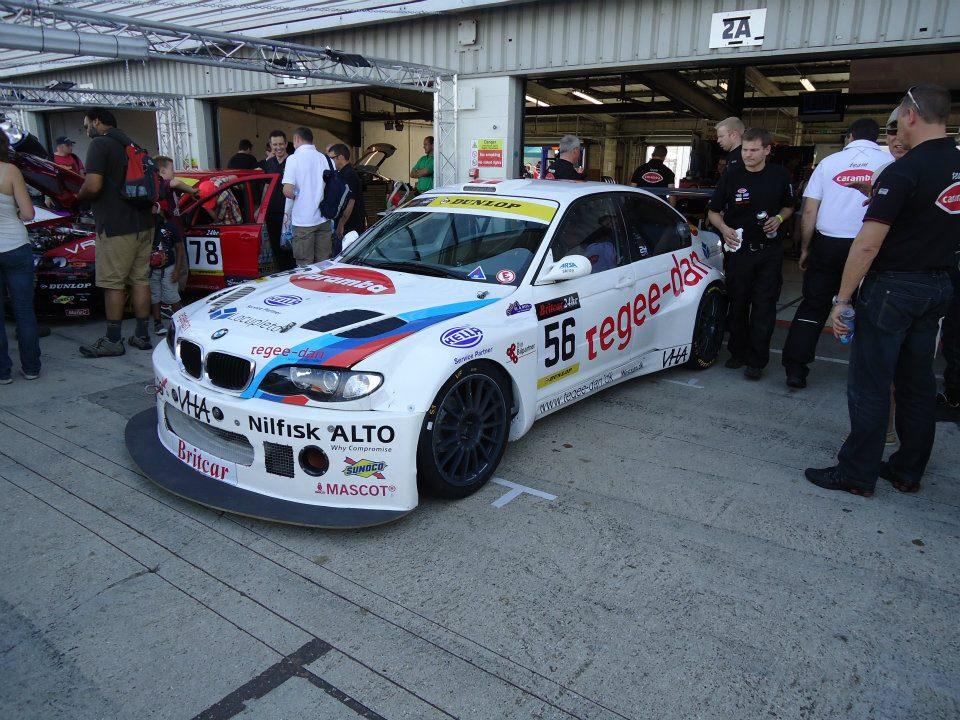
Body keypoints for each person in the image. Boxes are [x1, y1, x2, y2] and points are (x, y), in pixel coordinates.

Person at [805, 84, 959, 498]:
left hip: (893, 289)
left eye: (897, 120)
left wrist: (842, 300)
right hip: (938, 286)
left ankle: (856, 474)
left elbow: (867, 244)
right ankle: (908, 470)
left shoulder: (904, 170)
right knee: (918, 384)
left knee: (870, 384)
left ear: (911, 115)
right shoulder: (955, 163)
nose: (896, 130)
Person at [781, 118, 893, 389]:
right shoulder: (890, 162)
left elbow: (810, 209)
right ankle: (869, 378)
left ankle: (796, 369)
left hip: (828, 245)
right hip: (872, 245)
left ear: (850, 136)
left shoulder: (828, 163)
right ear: (877, 137)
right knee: (871, 311)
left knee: (813, 305)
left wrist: (805, 248)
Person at [707, 127, 794, 380]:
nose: (748, 155)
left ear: (767, 150)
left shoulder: (779, 175)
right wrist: (724, 229)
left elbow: (789, 206)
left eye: (754, 150)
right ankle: (737, 352)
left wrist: (779, 218)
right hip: (739, 252)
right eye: (745, 149)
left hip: (769, 252)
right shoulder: (732, 175)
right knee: (738, 303)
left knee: (764, 307)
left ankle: (757, 361)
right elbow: (713, 211)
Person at [76, 108, 155, 358]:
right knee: (140, 279)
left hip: (115, 225)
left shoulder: (100, 144)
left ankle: (112, 340)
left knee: (113, 283)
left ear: (97, 121)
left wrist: (78, 197)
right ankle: (142, 335)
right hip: (144, 223)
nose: (86, 130)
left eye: (86, 125)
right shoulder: (130, 143)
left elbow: (93, 185)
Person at [0, 131, 41, 383]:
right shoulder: (10, 171)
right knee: (24, 310)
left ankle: (2, 372)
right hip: (15, 246)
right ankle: (31, 367)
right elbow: (28, 214)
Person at [281, 126, 331, 266]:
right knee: (323, 264)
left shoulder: (293, 159)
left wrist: (299, 193)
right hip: (324, 218)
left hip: (303, 222)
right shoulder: (325, 159)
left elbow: (288, 191)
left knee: (305, 266)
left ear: (297, 139)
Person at [257, 130, 294, 270]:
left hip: (289, 214)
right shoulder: (269, 163)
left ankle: (291, 274)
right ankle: (281, 274)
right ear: (270, 145)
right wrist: (261, 208)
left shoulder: (293, 161)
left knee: (290, 249)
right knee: (276, 248)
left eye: (281, 144)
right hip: (271, 213)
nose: (278, 147)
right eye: (275, 144)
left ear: (286, 144)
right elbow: (266, 187)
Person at [149, 220, 186, 336]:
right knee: (155, 295)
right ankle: (157, 323)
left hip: (169, 267)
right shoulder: (146, 226)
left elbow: (179, 249)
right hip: (152, 268)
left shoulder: (171, 227)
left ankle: (184, 323)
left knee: (172, 295)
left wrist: (177, 270)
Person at [328, 143, 366, 248]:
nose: (330, 161)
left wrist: (341, 224)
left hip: (350, 226)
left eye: (332, 158)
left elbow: (350, 201)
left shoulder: (349, 175)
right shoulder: (342, 174)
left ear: (340, 157)